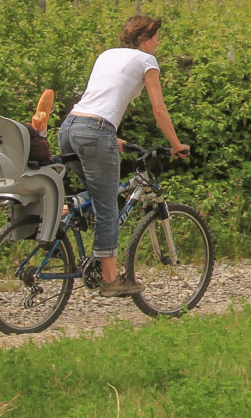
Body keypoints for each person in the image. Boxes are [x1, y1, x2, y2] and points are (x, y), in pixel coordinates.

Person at [58, 15, 189, 297]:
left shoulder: (106, 55)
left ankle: (59, 220)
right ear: (143, 39)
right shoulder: (146, 62)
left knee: (95, 194)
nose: (157, 42)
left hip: (70, 127)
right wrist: (176, 144)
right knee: (108, 207)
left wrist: (109, 136)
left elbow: (97, 99)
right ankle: (110, 280)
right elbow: (158, 109)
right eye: (155, 37)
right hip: (94, 131)